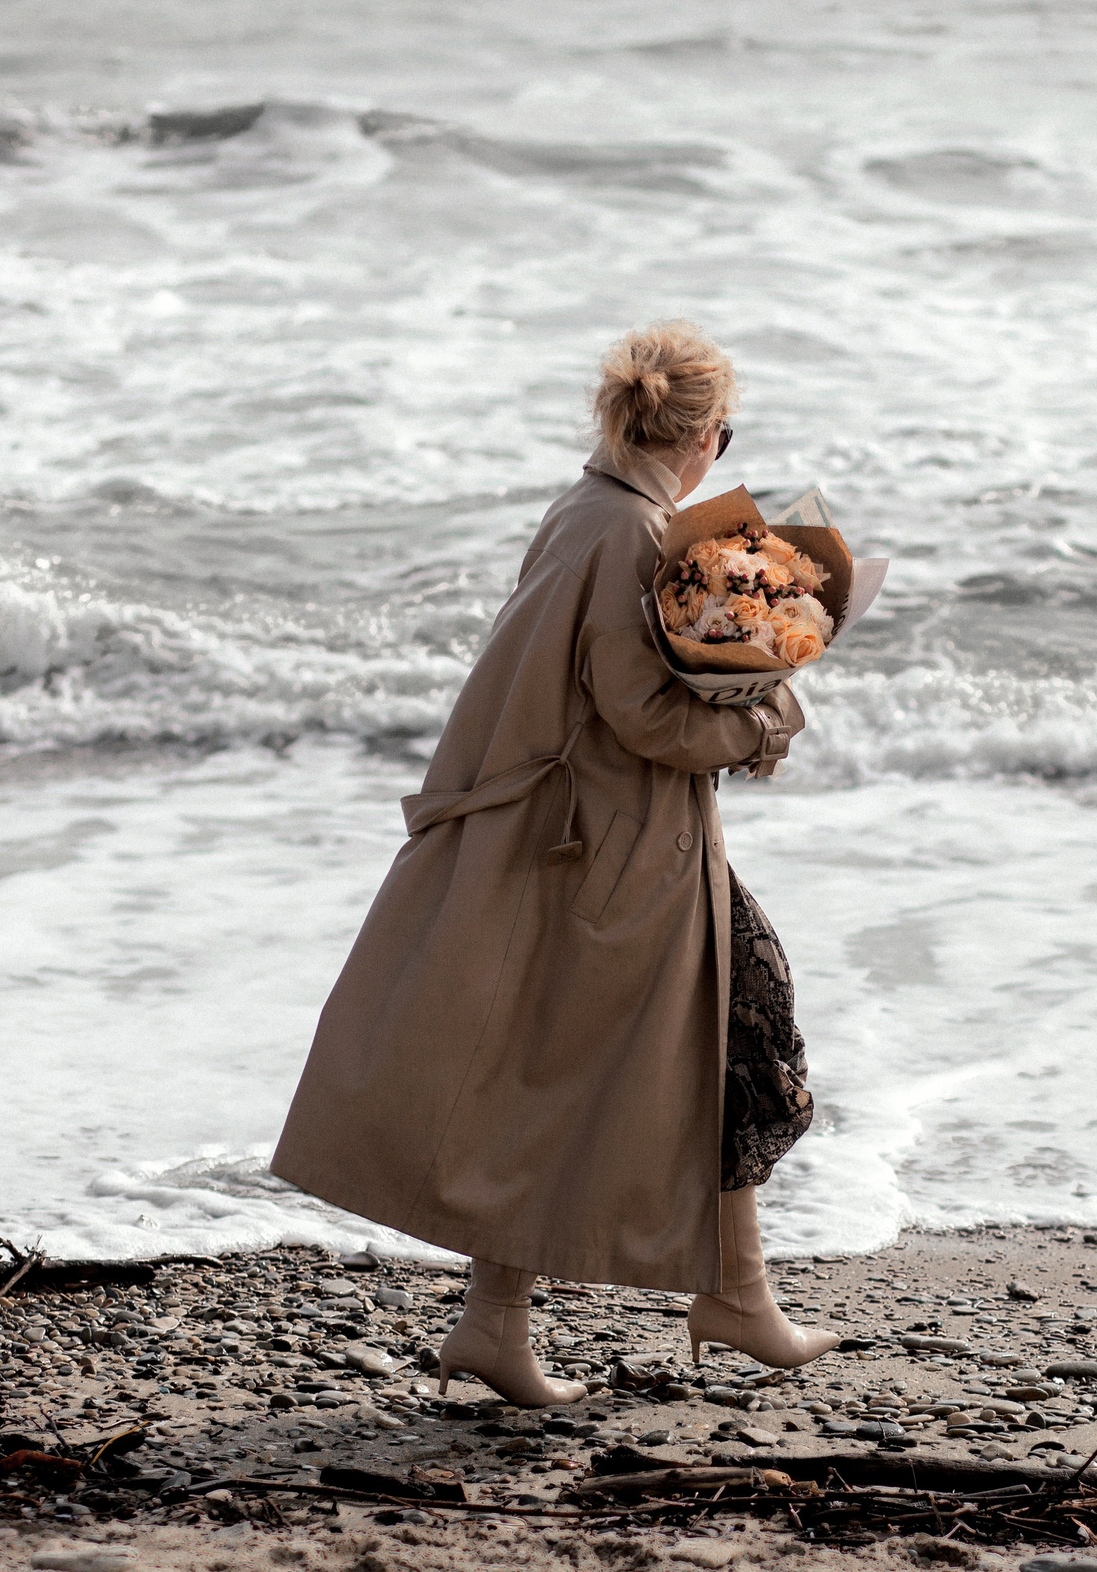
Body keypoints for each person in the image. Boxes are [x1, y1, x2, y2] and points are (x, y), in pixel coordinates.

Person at [270, 321, 839, 1407]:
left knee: (577, 1065)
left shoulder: (592, 508)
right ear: (705, 433)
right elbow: (643, 720)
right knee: (737, 1026)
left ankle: (573, 1316)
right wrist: (763, 725)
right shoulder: (627, 531)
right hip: (614, 847)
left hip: (577, 840)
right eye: (728, 431)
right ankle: (718, 1299)